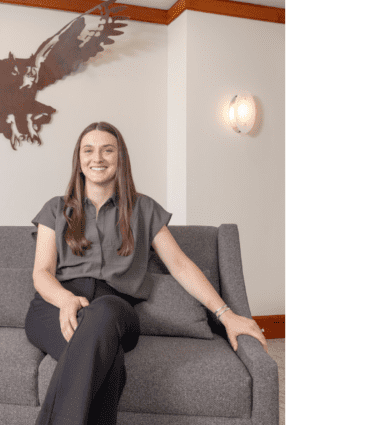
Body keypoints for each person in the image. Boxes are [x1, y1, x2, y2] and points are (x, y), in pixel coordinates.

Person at [23, 121, 268, 425]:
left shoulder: (144, 209)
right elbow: (42, 272)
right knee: (107, 364)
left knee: (104, 315)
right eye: (89, 150)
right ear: (79, 160)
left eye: (107, 150)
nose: (97, 157)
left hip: (115, 309)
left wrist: (226, 314)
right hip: (54, 307)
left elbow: (180, 265)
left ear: (120, 158)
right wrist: (65, 300)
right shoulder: (55, 209)